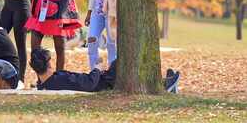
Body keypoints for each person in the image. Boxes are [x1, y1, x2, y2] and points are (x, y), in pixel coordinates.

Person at [30, 47, 181, 93]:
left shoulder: (46, 82)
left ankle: (162, 83)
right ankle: (164, 86)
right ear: (49, 64)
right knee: (124, 61)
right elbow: (88, 84)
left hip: (102, 79)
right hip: (103, 82)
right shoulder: (58, 80)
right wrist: (97, 68)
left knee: (120, 62)